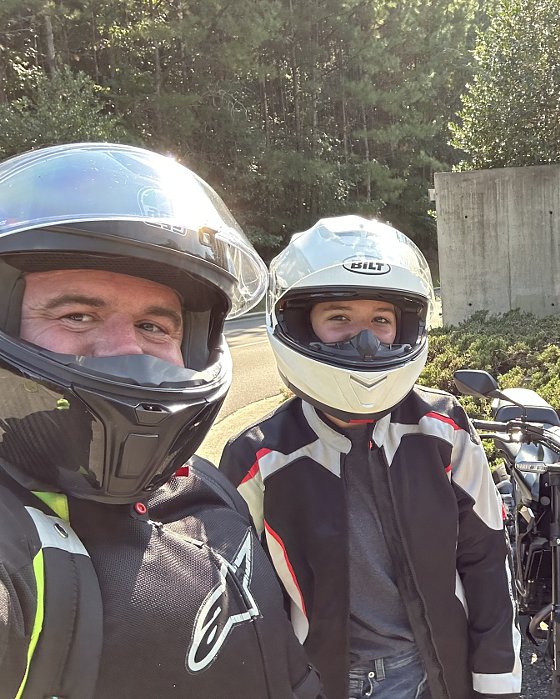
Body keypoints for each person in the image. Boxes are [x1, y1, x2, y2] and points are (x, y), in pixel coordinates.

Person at [0, 142, 325, 698]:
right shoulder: (17, 543)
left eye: (155, 327)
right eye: (77, 314)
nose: (130, 353)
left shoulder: (208, 487)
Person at [219, 216, 522, 699]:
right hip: (326, 676)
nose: (365, 340)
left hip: (443, 664)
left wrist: (496, 679)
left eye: (380, 320)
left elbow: (486, 556)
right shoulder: (259, 455)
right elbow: (238, 596)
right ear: (301, 324)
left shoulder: (441, 428)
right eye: (339, 317)